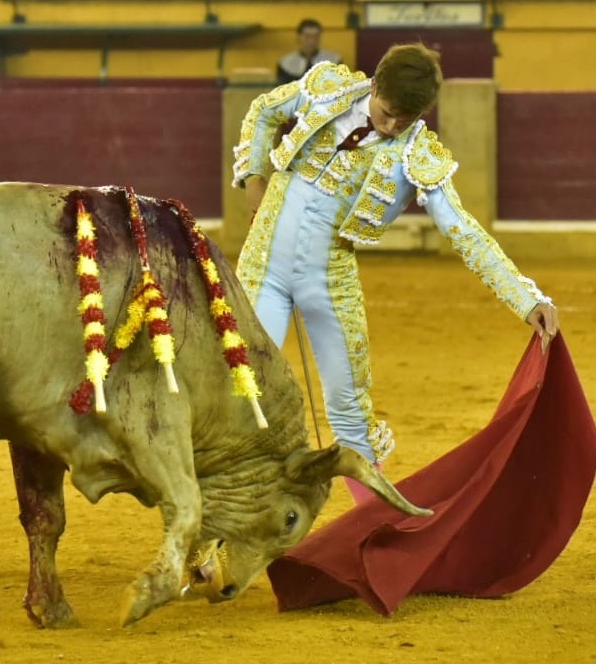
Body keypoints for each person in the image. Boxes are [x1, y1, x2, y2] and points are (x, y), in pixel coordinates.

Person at [232, 44, 559, 504]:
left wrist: (526, 298)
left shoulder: (417, 155)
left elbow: (464, 230)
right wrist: (253, 179)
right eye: (387, 113)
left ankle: (375, 531)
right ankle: (220, 536)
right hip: (263, 265)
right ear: (374, 86)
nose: (390, 127)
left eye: (404, 121)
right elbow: (263, 109)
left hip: (329, 280)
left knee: (349, 411)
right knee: (245, 392)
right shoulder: (329, 89)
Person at [276, 19, 341, 85]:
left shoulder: (334, 61)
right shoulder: (285, 63)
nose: (311, 41)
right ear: (298, 37)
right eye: (307, 37)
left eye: (315, 37)